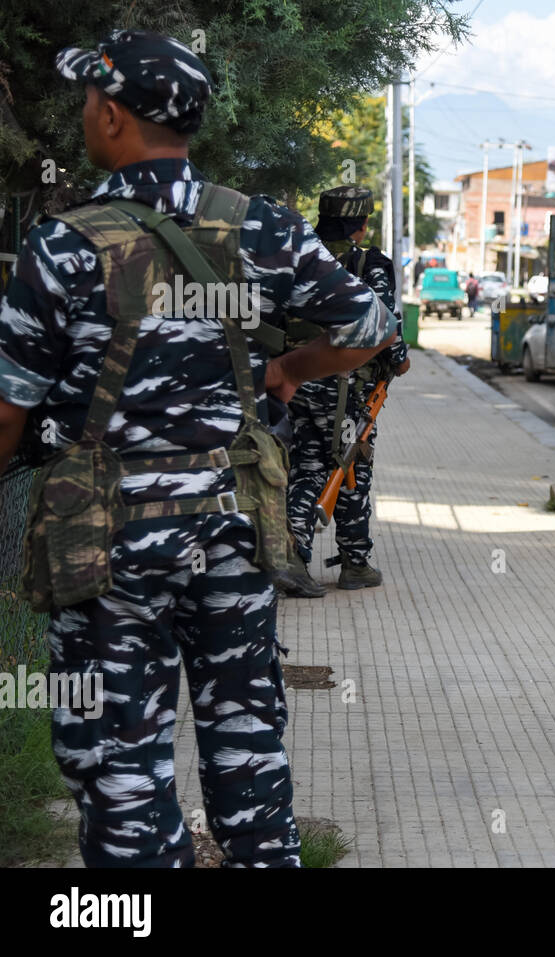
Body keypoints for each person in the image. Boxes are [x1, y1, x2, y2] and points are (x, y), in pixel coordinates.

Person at [0, 30, 398, 866]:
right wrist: (288, 365)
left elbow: (10, 408)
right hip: (233, 529)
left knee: (120, 771)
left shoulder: (67, 245)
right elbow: (370, 327)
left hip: (110, 545)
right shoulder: (262, 229)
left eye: (87, 101)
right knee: (247, 748)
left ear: (111, 116)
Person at [276, 186, 410, 598]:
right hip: (345, 383)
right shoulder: (369, 263)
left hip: (294, 377)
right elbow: (384, 325)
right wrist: (400, 360)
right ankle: (303, 557)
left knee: (323, 461)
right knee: (343, 463)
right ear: (362, 223)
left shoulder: (298, 254)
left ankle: (352, 560)